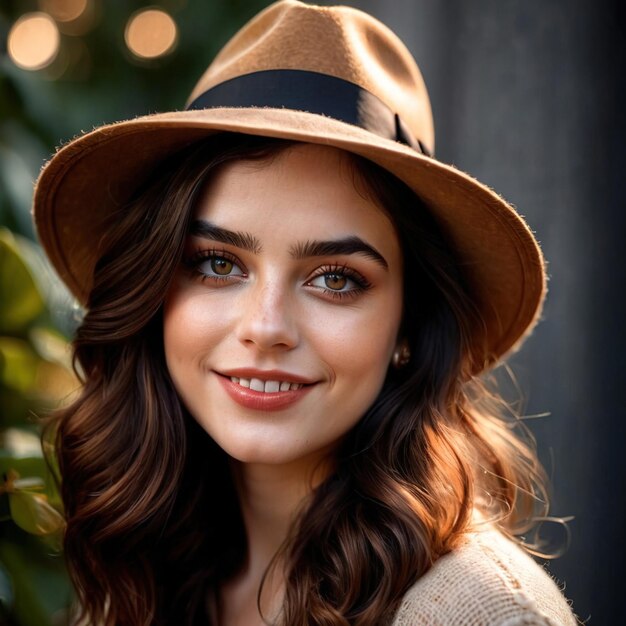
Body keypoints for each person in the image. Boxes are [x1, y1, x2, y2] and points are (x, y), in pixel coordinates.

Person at [33, 1, 579, 625]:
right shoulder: (134, 574)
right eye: (217, 264)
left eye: (336, 279)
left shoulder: (480, 613)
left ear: (409, 323)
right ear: (154, 290)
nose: (265, 328)